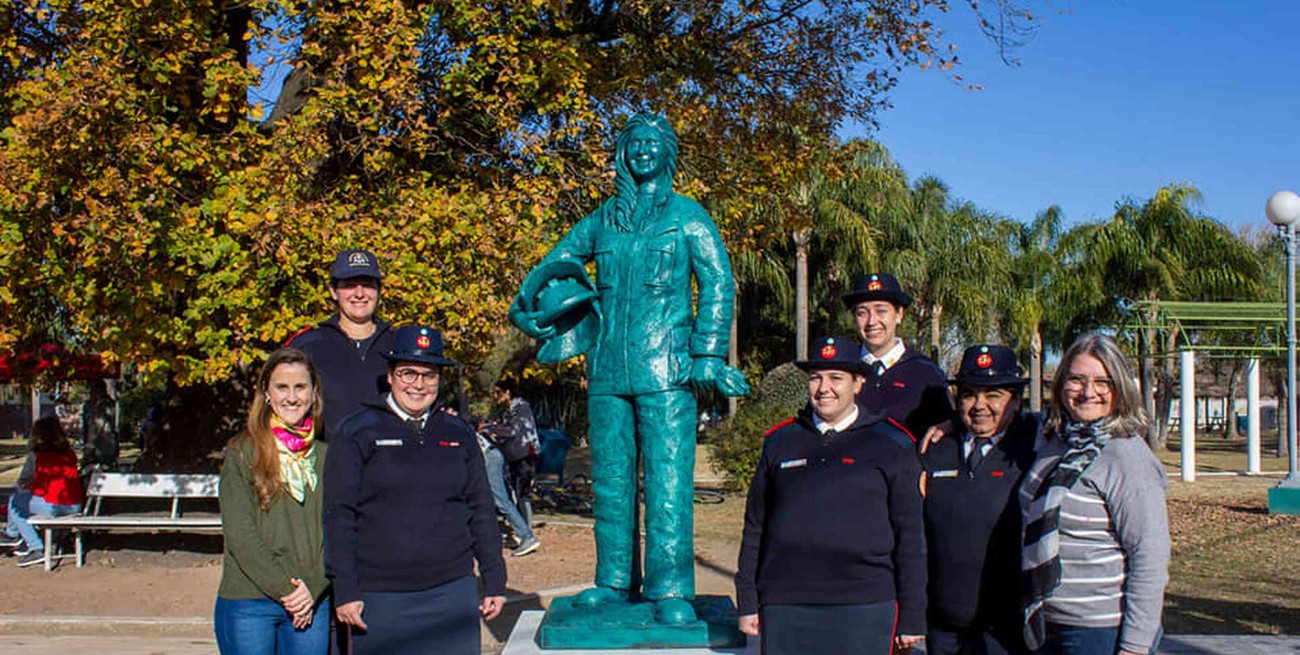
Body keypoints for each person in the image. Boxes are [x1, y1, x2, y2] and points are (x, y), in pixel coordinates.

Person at [510, 113, 748, 625]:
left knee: (668, 480)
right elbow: (555, 266)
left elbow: (718, 282)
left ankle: (670, 587)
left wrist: (707, 354)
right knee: (611, 480)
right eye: (633, 143)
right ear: (622, 154)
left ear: (666, 152)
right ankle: (613, 580)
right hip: (607, 369)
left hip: (668, 371)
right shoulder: (602, 219)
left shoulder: (687, 215)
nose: (642, 151)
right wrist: (534, 307)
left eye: (650, 143)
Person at [735, 335, 926, 655]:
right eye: (816, 378)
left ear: (858, 383)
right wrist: (747, 601)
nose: (824, 388)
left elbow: (910, 536)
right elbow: (756, 526)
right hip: (786, 604)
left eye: (836, 378)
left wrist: (912, 616)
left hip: (865, 605)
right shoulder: (780, 441)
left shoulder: (892, 443)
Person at [324, 326, 506, 655]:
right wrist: (346, 588)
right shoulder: (357, 431)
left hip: (452, 593)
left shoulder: (459, 433)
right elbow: (339, 515)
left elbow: (480, 508)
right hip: (381, 598)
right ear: (390, 376)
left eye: (429, 375)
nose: (418, 385)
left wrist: (494, 577)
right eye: (408, 373)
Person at [1021, 333, 1168, 655]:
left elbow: (1149, 557)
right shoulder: (1054, 440)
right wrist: (948, 427)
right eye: (1076, 379)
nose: (1088, 392)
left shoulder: (1127, 458)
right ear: (1061, 384)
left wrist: (1135, 646)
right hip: (1044, 621)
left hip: (1097, 630)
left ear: (1121, 388)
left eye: (1103, 382)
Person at [922, 345, 1038, 655]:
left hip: (1005, 631)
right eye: (969, 394)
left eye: (993, 395)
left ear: (1016, 401)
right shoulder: (935, 447)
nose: (979, 405)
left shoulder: (1035, 448)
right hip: (942, 627)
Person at [215, 347, 331, 654]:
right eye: (282, 387)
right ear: (266, 392)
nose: (291, 397)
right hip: (251, 602)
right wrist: (285, 590)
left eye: (300, 387)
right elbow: (240, 533)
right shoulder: (243, 453)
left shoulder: (325, 456)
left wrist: (313, 588)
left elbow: (337, 529)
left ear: (313, 393)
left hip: (311, 600)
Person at [286, 249, 396, 438]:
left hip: (389, 454)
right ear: (333, 291)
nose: (359, 294)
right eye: (349, 286)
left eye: (367, 285)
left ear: (379, 290)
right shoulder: (307, 346)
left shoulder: (399, 345)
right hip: (327, 454)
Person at [842, 272, 954, 439]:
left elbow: (948, 430)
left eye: (881, 311)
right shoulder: (840, 370)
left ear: (899, 314)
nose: (872, 321)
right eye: (862, 313)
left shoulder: (926, 372)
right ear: (853, 319)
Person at [2, 417, 84, 567]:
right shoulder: (69, 454)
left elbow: (41, 488)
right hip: (75, 504)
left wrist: (29, 486)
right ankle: (13, 535)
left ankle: (32, 545)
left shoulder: (43, 457)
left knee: (16, 502)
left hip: (55, 504)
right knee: (19, 500)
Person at [479, 378, 541, 557]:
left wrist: (489, 428)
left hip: (525, 455)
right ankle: (524, 533)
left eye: (498, 392)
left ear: (507, 392)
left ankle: (527, 534)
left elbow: (513, 430)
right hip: (514, 456)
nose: (495, 396)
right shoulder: (509, 409)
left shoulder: (520, 406)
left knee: (522, 494)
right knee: (514, 494)